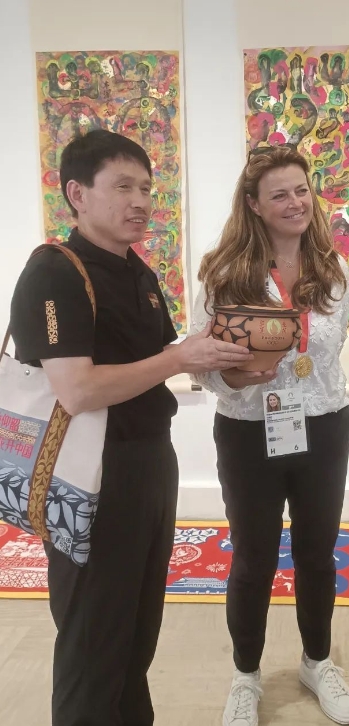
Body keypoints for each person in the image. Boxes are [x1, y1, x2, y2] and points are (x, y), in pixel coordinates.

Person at [9, 129, 252, 726]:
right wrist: (180, 358)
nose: (141, 201)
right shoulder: (55, 273)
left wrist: (224, 360)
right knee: (93, 639)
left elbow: (159, 361)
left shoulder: (138, 274)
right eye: (123, 187)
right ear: (77, 194)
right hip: (90, 472)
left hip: (148, 462)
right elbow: (78, 390)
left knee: (137, 632)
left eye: (146, 188)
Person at [191, 146, 349, 726]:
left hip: (324, 424)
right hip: (247, 430)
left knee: (317, 554)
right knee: (253, 558)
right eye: (280, 194)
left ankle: (317, 662)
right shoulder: (223, 273)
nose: (295, 203)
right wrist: (234, 376)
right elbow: (202, 362)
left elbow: (329, 354)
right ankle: (246, 676)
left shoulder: (334, 270)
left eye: (302, 191)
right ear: (255, 205)